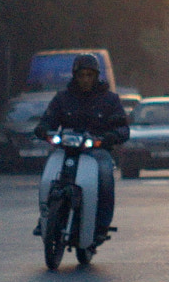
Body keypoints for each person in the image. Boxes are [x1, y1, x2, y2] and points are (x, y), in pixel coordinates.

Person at [33, 55, 128, 239]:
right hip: (66, 150)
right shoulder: (62, 98)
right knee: (48, 177)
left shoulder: (110, 100)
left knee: (106, 174)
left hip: (97, 151)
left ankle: (101, 225)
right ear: (75, 76)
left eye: (89, 75)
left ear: (96, 76)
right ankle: (45, 219)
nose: (85, 79)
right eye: (82, 75)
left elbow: (123, 128)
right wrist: (43, 129)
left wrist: (111, 137)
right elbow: (48, 120)